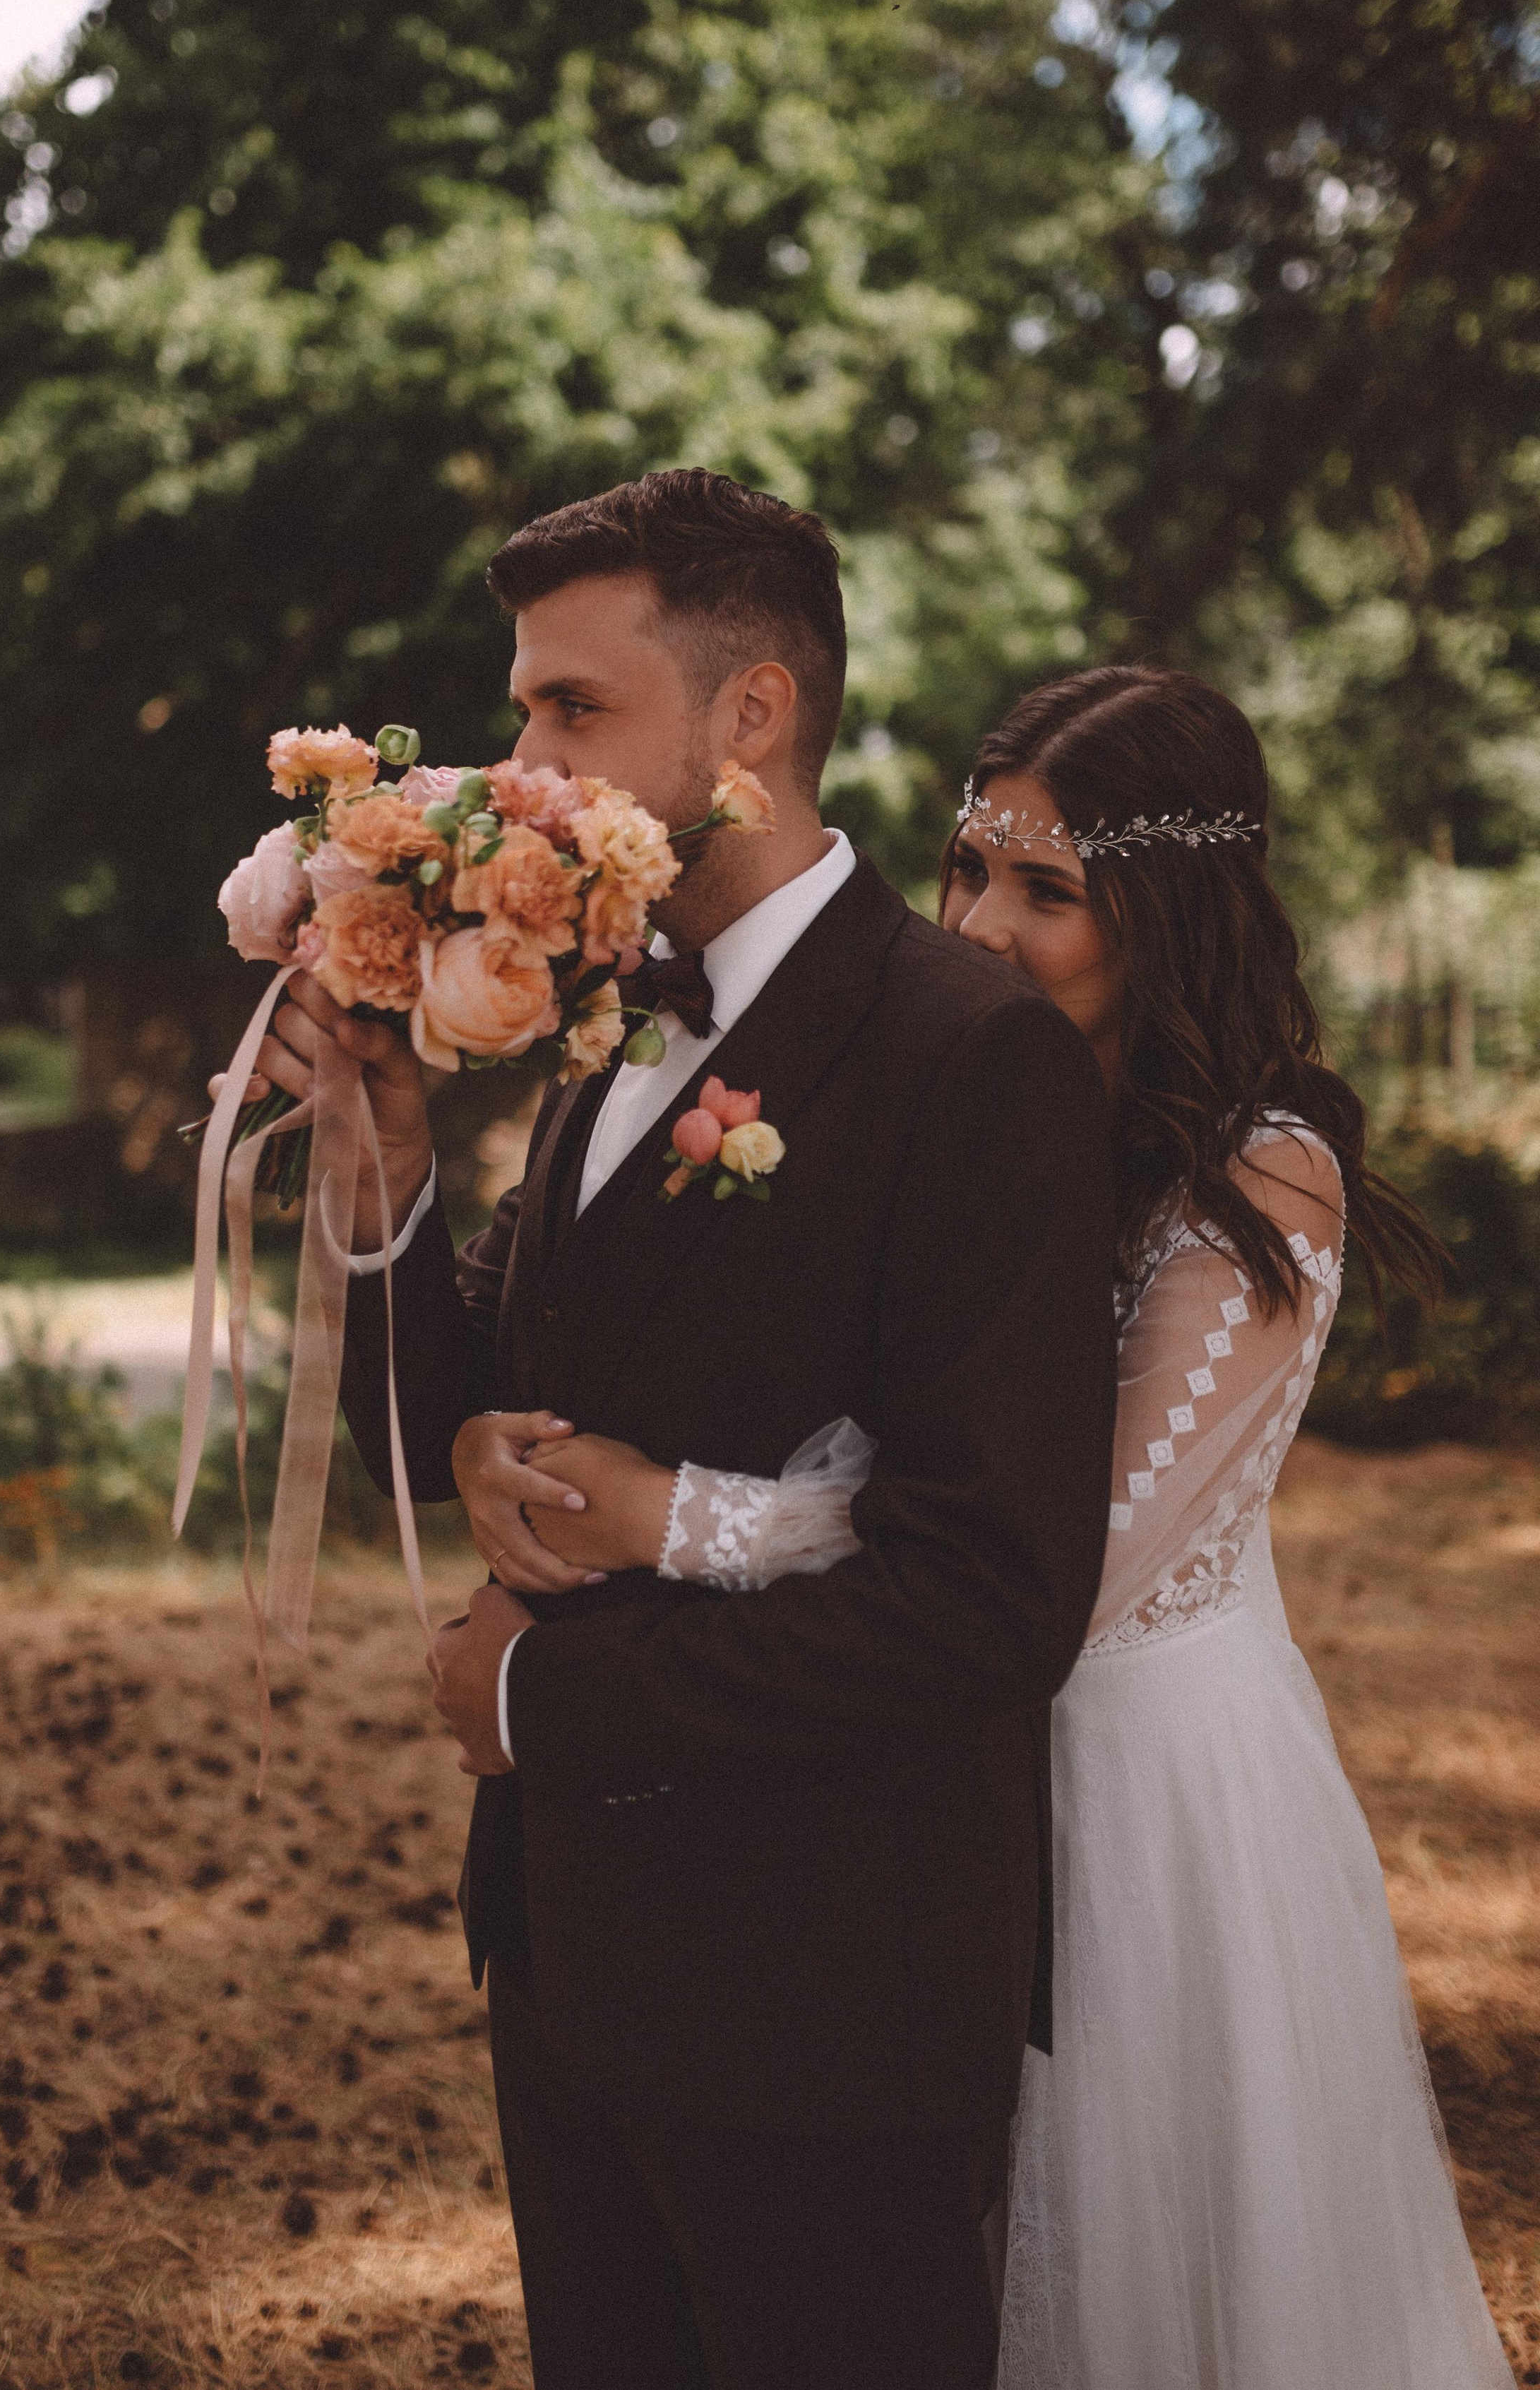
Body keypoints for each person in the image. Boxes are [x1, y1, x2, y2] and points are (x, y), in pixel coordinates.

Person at [491, 665, 1516, 2390]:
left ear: (1170, 919)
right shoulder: (943, 1102)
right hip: (906, 1762)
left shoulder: (1255, 1174)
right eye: (970, 868)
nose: (977, 924)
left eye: (1048, 893)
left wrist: (675, 1518)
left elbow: (1059, 1558)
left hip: (1138, 1782)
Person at [237, 468, 1119, 2389]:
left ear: (749, 718)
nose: (518, 758)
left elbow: (991, 1596)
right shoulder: (596, 1010)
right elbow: (451, 1428)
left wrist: (547, 1704)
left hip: (825, 2006)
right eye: (523, 702)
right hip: (572, 1973)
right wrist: (385, 1175)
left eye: (572, 707)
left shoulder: (970, 1060)